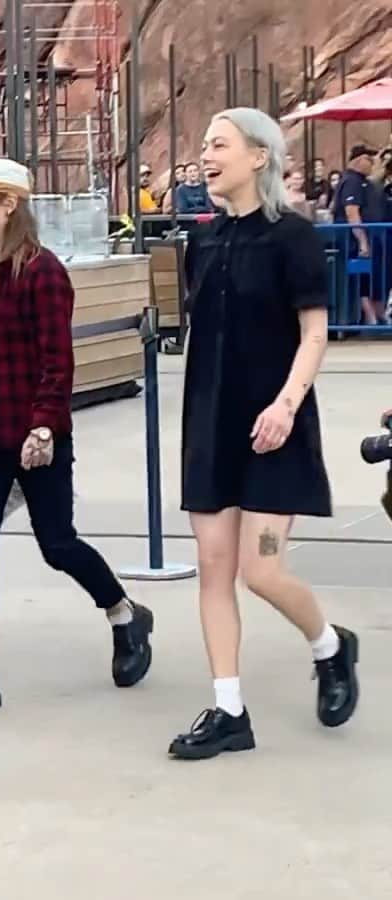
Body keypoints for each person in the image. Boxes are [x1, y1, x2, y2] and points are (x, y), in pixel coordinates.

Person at [0, 159, 154, 714]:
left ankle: (124, 613)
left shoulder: (43, 272)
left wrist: (45, 423)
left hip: (34, 433)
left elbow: (56, 358)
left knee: (58, 545)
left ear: (10, 204)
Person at [170, 107, 359, 761]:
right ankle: (229, 711)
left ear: (260, 156)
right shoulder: (205, 240)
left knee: (264, 570)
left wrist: (285, 406)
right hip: (212, 427)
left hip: (274, 428)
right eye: (202, 143)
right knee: (214, 569)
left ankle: (331, 647)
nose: (205, 154)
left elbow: (314, 334)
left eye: (218, 142)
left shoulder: (293, 238)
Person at [333, 145, 385, 324]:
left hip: (373, 237)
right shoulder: (351, 181)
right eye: (368, 160)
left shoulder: (365, 181)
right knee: (362, 278)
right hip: (355, 242)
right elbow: (352, 212)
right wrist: (362, 241)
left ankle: (379, 316)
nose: (371, 163)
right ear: (358, 160)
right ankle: (370, 318)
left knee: (374, 277)